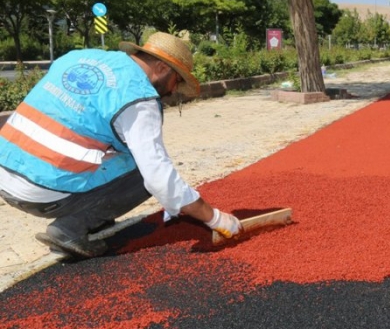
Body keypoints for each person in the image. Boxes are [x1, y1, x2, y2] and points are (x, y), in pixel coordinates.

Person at [0, 32, 242, 259]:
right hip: (41, 192)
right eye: (177, 81)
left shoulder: (79, 57)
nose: (174, 90)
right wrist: (215, 219)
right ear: (162, 68)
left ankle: (96, 217)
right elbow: (160, 178)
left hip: (5, 170)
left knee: (120, 150)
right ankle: (70, 228)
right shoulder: (138, 97)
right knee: (143, 170)